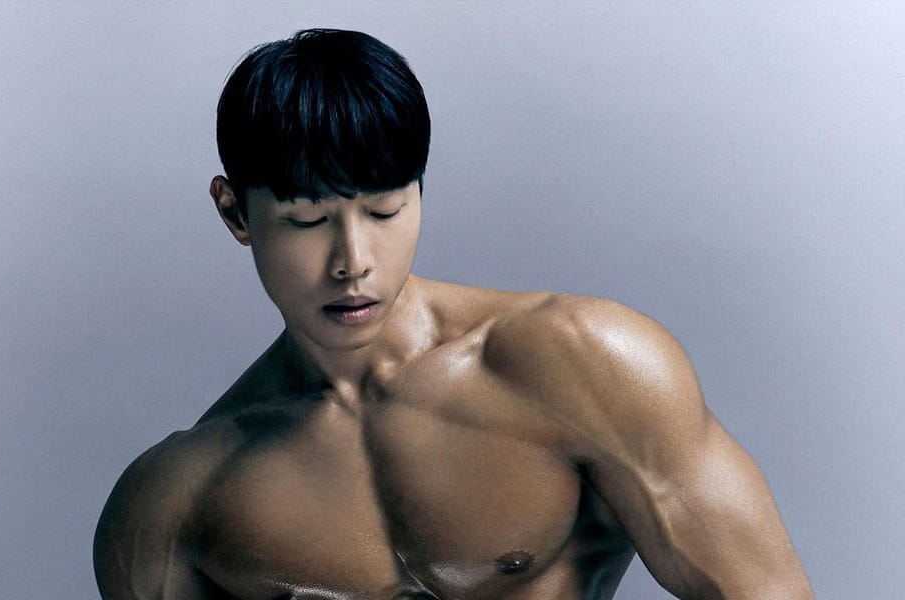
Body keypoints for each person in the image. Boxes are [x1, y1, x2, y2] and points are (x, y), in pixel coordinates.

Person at [93, 29, 814, 599]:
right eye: (306, 221)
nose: (353, 261)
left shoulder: (582, 363)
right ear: (234, 213)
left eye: (384, 211)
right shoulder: (175, 505)